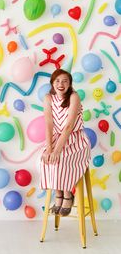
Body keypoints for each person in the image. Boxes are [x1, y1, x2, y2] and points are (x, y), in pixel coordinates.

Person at [40, 68, 91, 216]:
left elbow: (68, 127)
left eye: (65, 81)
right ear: (52, 83)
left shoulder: (74, 97)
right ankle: (58, 194)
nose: (61, 84)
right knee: (45, 158)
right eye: (57, 81)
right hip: (57, 138)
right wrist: (50, 149)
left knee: (61, 158)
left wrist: (57, 151)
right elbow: (48, 123)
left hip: (76, 139)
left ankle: (68, 194)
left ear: (69, 84)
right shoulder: (48, 98)